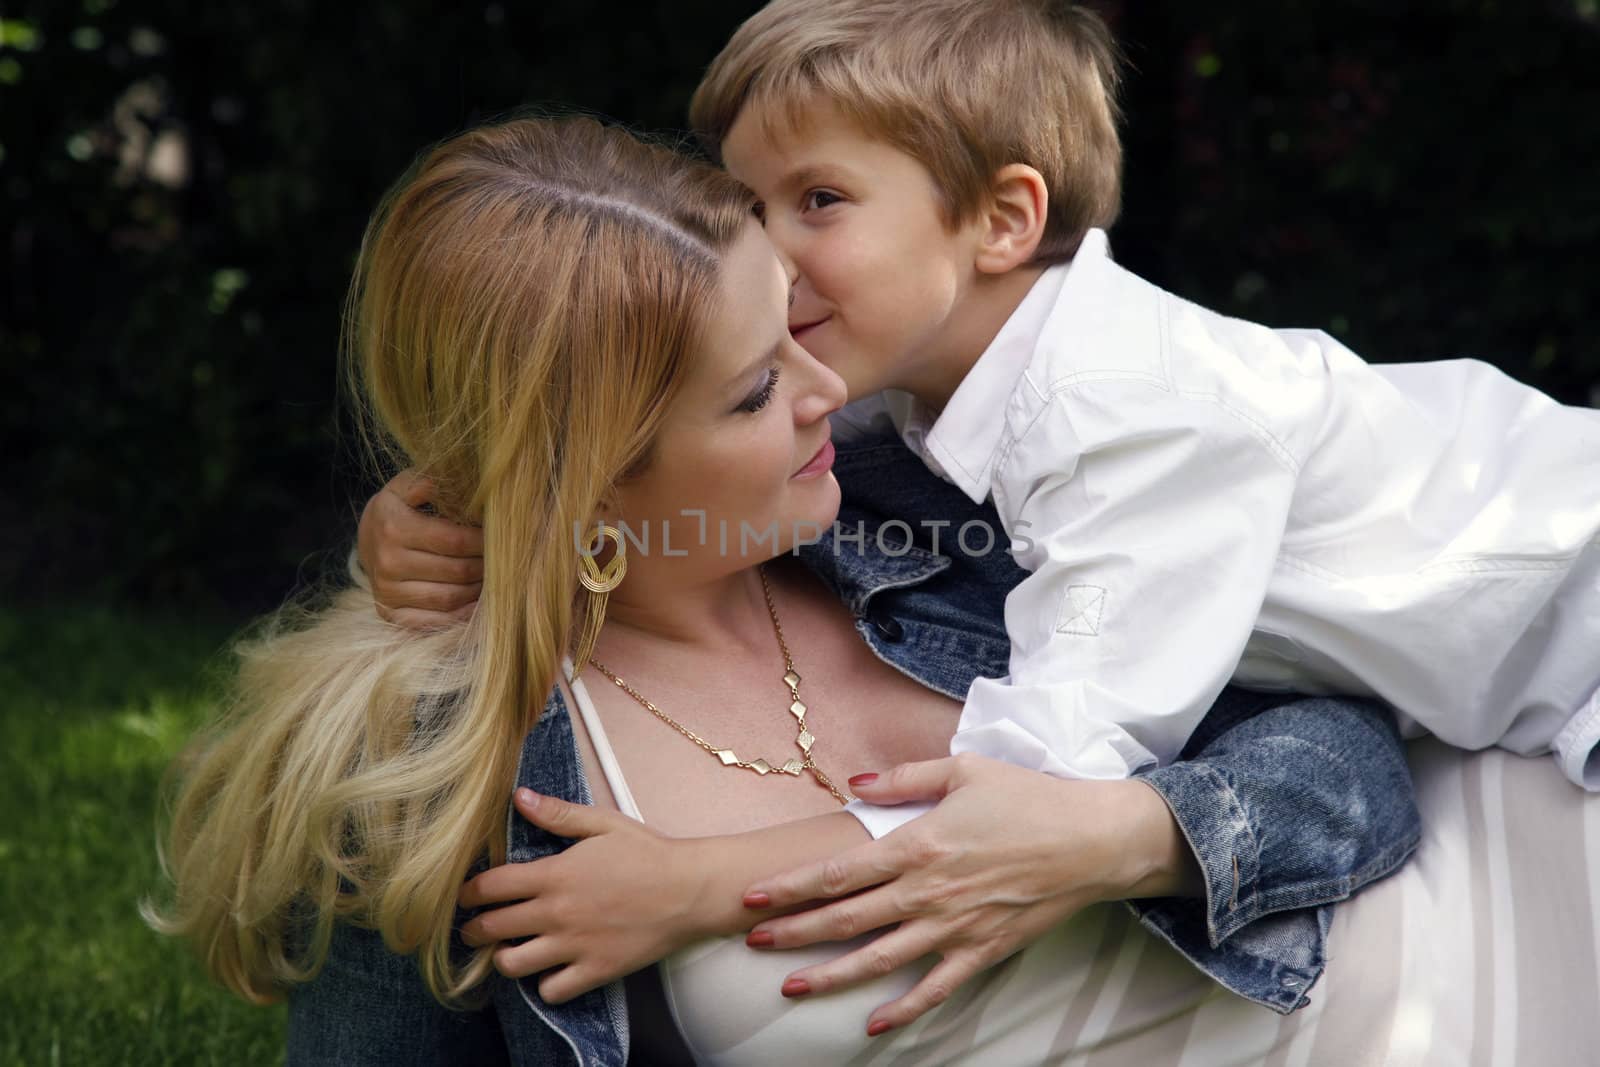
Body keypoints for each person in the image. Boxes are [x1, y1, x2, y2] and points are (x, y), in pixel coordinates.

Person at [275, 116, 1422, 1067]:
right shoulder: (430, 765)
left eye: (797, 327)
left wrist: (1122, 835)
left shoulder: (928, 509)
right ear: (582, 474)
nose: (830, 387)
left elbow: (1360, 748)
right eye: (754, 389)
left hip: (1435, 966)